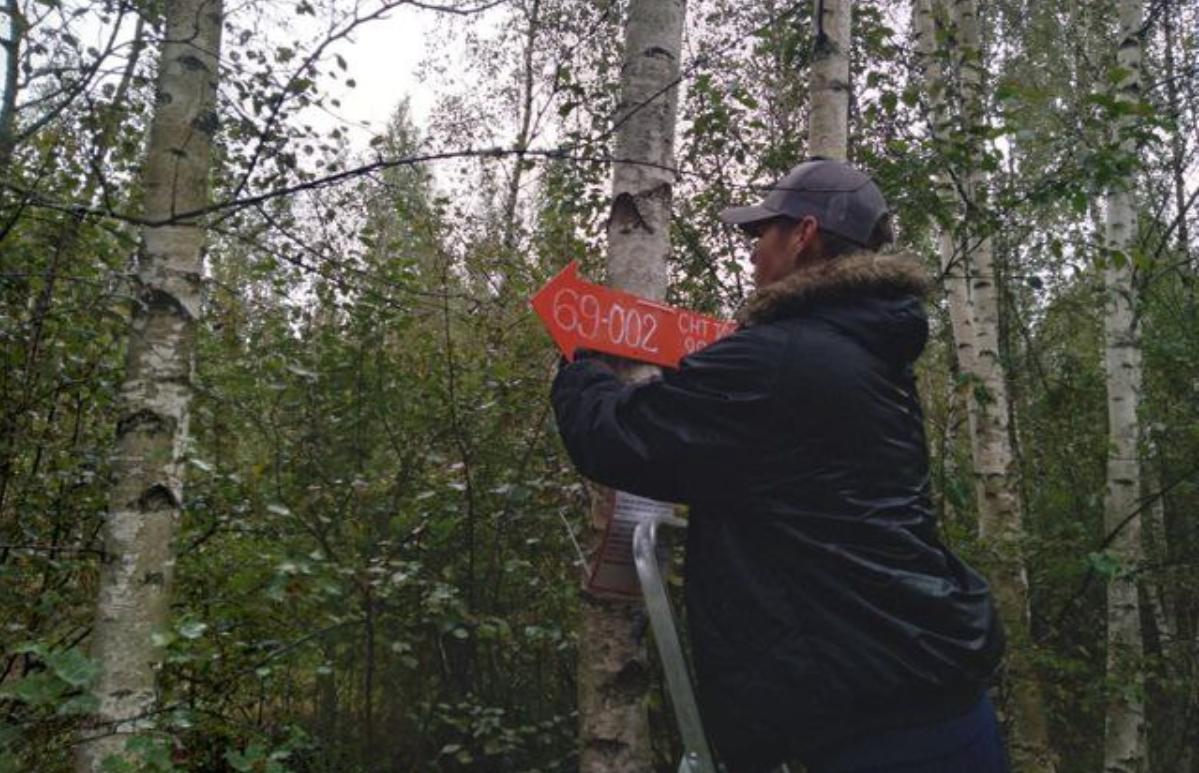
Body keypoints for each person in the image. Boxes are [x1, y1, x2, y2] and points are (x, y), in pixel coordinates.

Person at [550, 159, 1009, 773]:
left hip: (868, 729)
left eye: (761, 233)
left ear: (803, 235)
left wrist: (580, 365)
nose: (751, 253)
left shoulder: (782, 360)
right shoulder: (871, 356)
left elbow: (620, 437)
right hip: (940, 696)